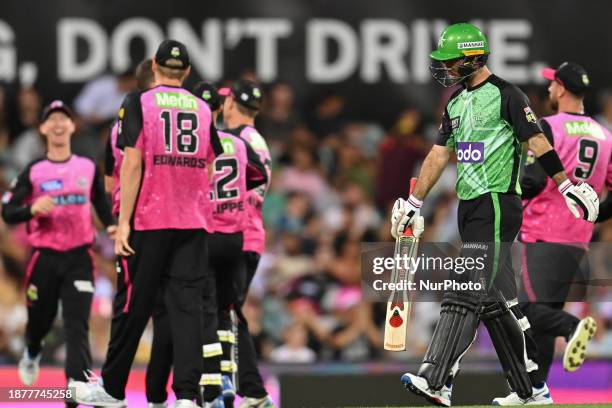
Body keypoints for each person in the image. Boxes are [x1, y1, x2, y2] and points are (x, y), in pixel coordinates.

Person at [390, 23, 600, 406]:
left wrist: (566, 185)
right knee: (495, 301)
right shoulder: (455, 102)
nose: (447, 69)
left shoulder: (507, 94)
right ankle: (531, 390)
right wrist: (414, 202)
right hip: (469, 208)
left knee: (465, 288)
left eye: (453, 62)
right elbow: (440, 155)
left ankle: (436, 378)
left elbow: (536, 139)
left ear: (473, 56)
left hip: (498, 203)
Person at [73, 40, 220, 408]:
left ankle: (112, 389)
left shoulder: (138, 102)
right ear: (186, 72)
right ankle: (187, 396)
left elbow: (133, 164)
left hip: (151, 219)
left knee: (133, 305)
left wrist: (122, 223)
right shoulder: (203, 108)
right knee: (186, 309)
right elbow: (211, 163)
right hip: (191, 222)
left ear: (155, 66)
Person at [503, 62, 612, 403]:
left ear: (562, 89)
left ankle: (572, 327)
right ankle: (535, 391)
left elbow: (534, 181)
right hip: (578, 241)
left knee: (520, 310)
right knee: (539, 321)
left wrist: (506, 195)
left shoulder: (547, 127)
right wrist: (592, 216)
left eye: (552, 85)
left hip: (541, 235)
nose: (549, 90)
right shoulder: (605, 134)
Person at [1, 101, 114, 395]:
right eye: (52, 120)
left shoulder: (86, 168)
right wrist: (32, 209)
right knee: (40, 317)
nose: (59, 124)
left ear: (73, 126)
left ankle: (75, 389)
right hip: (44, 258)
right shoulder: (34, 171)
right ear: (43, 128)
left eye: (64, 118)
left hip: (79, 257)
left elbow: (101, 203)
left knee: (77, 325)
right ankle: (32, 350)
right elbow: (8, 211)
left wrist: (113, 226)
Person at [218, 80, 275, 408]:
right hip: (251, 234)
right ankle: (251, 389)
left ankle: (252, 390)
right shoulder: (257, 140)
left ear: (229, 105)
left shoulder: (236, 142)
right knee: (229, 310)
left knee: (227, 311)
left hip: (237, 235)